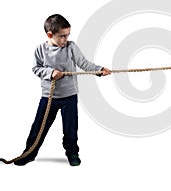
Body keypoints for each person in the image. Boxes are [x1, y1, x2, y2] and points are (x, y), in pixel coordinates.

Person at [14, 14, 111, 166]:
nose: (66, 39)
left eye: (68, 35)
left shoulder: (71, 47)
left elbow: (84, 64)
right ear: (50, 35)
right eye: (62, 36)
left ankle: (72, 152)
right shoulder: (40, 50)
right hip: (48, 97)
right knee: (39, 126)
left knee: (70, 128)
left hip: (69, 97)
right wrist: (50, 72)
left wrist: (99, 69)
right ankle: (29, 153)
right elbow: (36, 68)